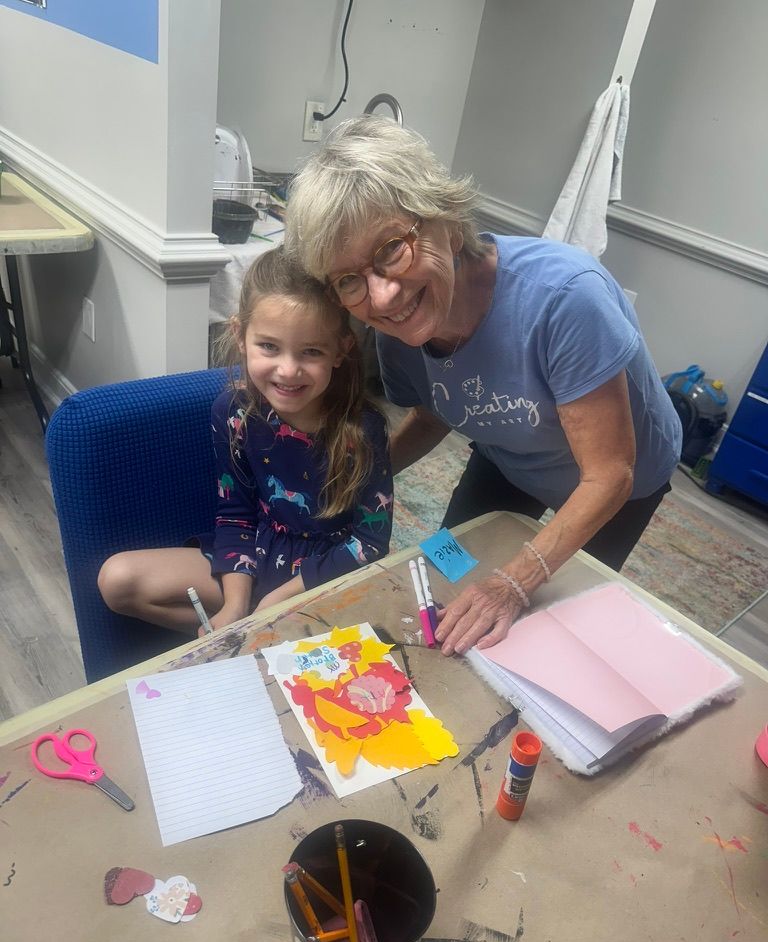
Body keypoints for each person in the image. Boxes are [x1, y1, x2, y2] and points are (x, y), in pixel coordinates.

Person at [284, 117, 682, 658]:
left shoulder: (565, 298)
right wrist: (358, 482)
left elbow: (610, 472)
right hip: (508, 450)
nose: (382, 297)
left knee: (554, 621)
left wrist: (514, 582)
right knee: (448, 568)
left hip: (618, 481)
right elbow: (434, 415)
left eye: (391, 249)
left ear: (447, 222)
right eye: (349, 280)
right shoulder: (399, 332)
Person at [98, 246, 393, 635]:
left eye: (311, 351)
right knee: (117, 580)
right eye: (269, 346)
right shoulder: (232, 412)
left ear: (341, 350)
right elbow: (235, 512)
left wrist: (276, 602)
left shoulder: (364, 429)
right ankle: (235, 635)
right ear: (240, 335)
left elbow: (369, 543)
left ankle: (262, 631)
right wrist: (236, 606)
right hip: (254, 555)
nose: (288, 370)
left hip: (325, 573)